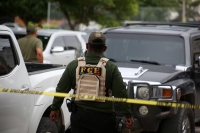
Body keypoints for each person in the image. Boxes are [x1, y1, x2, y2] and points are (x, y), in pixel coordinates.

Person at [50, 31, 134, 133]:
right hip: (104, 119)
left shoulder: (74, 65)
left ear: (87, 45)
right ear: (104, 48)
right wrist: (128, 114)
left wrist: (55, 108)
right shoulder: (111, 67)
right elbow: (120, 93)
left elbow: (61, 89)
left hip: (80, 118)